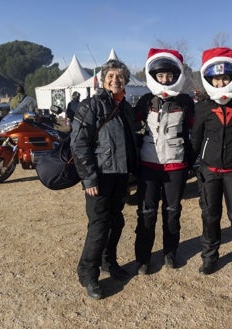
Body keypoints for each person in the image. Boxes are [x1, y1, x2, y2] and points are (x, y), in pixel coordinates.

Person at [70, 59, 139, 299]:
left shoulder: (126, 108)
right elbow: (78, 144)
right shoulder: (92, 106)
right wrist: (89, 178)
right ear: (102, 79)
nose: (115, 80)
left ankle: (108, 261)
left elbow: (129, 143)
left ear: (126, 81)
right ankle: (88, 273)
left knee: (116, 222)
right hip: (100, 177)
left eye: (119, 77)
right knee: (99, 227)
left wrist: (132, 175)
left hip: (120, 175)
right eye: (110, 76)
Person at [190, 47, 232, 279]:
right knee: (210, 216)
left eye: (225, 77)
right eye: (216, 78)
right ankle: (209, 257)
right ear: (210, 80)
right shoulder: (203, 106)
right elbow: (196, 138)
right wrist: (191, 164)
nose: (221, 82)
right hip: (210, 172)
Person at [134, 48, 195, 274]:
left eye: (169, 75)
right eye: (161, 75)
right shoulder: (146, 100)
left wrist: (191, 160)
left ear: (176, 76)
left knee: (172, 211)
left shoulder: (186, 101)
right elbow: (129, 124)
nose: (165, 79)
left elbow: (197, 131)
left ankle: (170, 252)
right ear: (154, 76)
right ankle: (142, 258)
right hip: (148, 165)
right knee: (146, 212)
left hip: (176, 165)